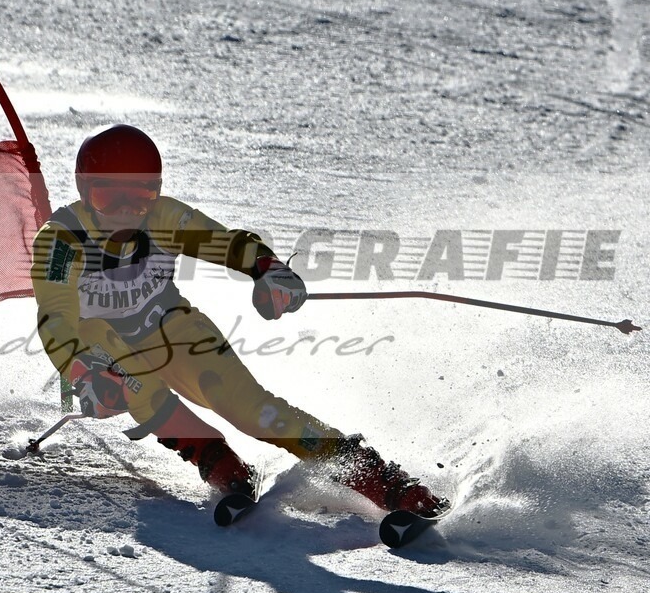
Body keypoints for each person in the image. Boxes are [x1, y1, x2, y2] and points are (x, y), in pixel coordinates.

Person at [30, 124, 446, 516]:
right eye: (108, 198)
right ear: (85, 192)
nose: (126, 211)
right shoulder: (63, 241)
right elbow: (56, 318)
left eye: (140, 196)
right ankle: (219, 461)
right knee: (130, 375)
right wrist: (83, 370)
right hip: (101, 354)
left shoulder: (163, 219)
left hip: (168, 326)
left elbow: (227, 243)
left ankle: (382, 481)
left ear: (156, 193)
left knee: (252, 410)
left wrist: (265, 268)